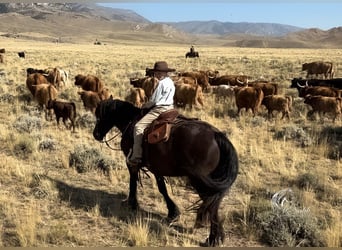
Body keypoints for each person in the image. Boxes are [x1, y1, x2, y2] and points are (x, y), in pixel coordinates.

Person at [127, 61, 176, 167]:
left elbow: (154, 101)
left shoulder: (161, 83)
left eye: (159, 72)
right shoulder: (170, 82)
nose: (157, 75)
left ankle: (136, 156)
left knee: (138, 127)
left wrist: (144, 106)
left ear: (164, 73)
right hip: (170, 108)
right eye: (156, 72)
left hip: (160, 109)